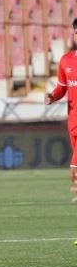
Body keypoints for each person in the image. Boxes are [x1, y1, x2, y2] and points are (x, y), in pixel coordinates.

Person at [45, 17, 77, 201]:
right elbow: (61, 88)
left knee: (75, 166)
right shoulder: (66, 61)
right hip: (72, 119)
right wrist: (53, 96)